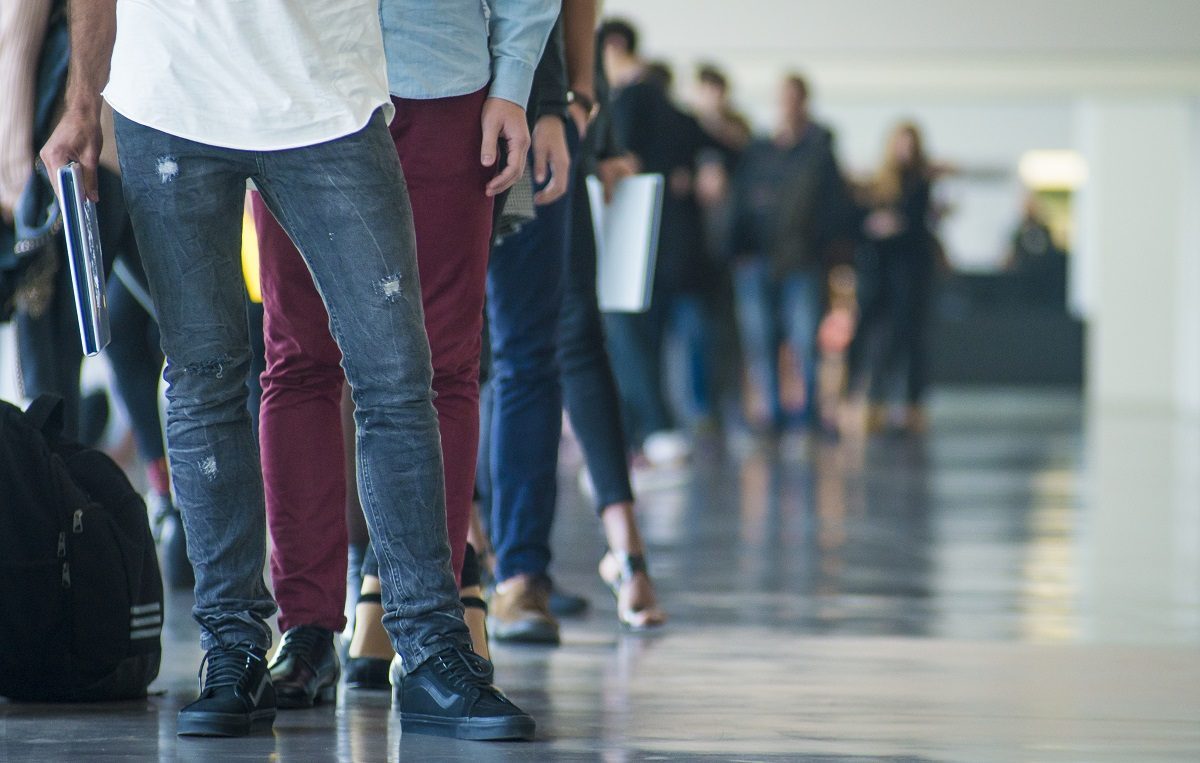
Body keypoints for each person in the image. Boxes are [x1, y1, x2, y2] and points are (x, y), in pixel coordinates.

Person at [41, 0, 534, 740]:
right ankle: (233, 649)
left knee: (397, 375)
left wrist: (524, 79)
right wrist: (81, 98)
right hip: (171, 95)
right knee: (204, 379)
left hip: (327, 99)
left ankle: (430, 645)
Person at [250, 0, 557, 708]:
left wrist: (515, 83)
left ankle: (429, 639)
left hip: (441, 83)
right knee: (299, 357)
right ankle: (305, 631)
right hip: (296, 88)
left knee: (444, 364)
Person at [0, 0, 187, 585]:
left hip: (67, 163)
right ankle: (184, 529)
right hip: (156, 150)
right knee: (190, 351)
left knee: (50, 383)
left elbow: (16, 33)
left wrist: (10, 176)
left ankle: (58, 566)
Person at [600, 19, 715, 463]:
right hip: (668, 246)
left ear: (612, 47)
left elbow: (624, 160)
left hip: (638, 243)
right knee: (643, 338)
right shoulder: (669, 105)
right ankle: (647, 430)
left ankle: (652, 428)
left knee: (629, 337)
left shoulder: (632, 98)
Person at [728, 73, 851, 436]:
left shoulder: (819, 152)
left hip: (802, 261)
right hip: (757, 259)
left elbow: (833, 206)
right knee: (761, 339)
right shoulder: (760, 151)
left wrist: (824, 249)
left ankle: (809, 412)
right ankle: (772, 413)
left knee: (804, 338)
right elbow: (741, 203)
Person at [846, 122, 938, 434]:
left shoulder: (921, 184)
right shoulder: (877, 184)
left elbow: (913, 225)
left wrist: (893, 226)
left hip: (909, 276)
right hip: (878, 276)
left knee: (909, 340)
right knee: (874, 341)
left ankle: (911, 406)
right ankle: (873, 403)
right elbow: (861, 224)